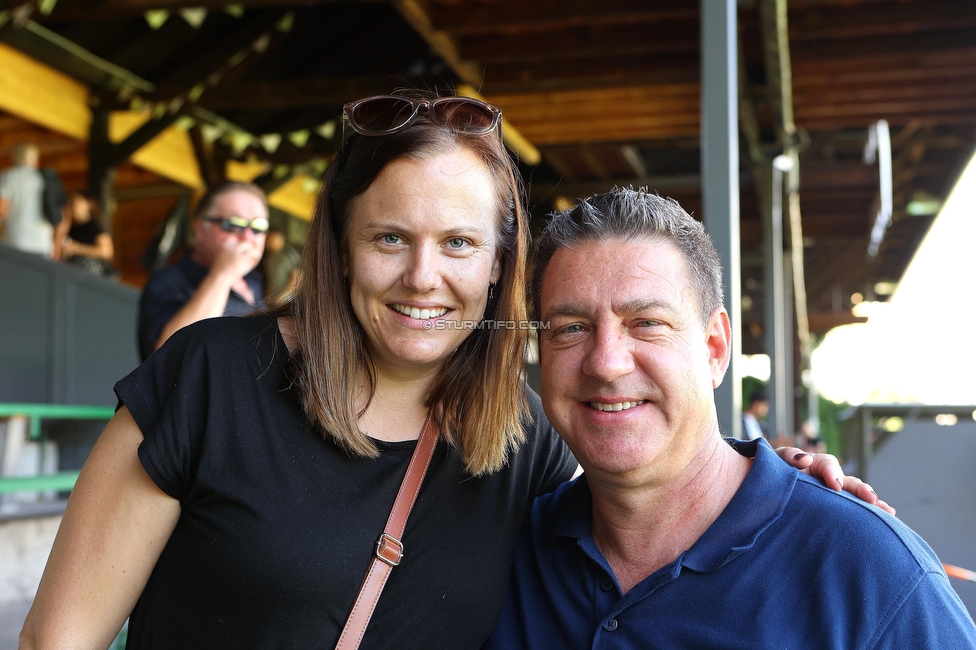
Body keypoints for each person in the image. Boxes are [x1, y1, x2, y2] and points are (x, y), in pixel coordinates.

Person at [21, 95, 884, 650]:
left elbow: (654, 496)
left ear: (500, 262)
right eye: (390, 237)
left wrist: (777, 483)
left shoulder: (528, 445)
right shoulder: (208, 384)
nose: (424, 277)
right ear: (341, 247)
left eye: (460, 244)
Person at [486, 188, 976, 649]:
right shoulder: (505, 547)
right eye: (572, 328)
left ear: (715, 348)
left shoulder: (871, 571)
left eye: (647, 324)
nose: (607, 361)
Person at [137, 180, 268, 360]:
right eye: (232, 224)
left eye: (258, 227)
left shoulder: (254, 282)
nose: (247, 236)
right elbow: (169, 357)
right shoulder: (170, 280)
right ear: (199, 229)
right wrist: (222, 275)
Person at [0, 143, 53, 257]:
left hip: (15, 239)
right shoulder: (44, 177)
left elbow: (2, 208)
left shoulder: (8, 176)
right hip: (43, 241)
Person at [54, 192, 117, 277]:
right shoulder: (70, 226)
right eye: (71, 203)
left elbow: (106, 251)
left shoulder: (94, 226)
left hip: (96, 275)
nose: (73, 205)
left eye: (77, 202)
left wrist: (76, 248)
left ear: (88, 204)